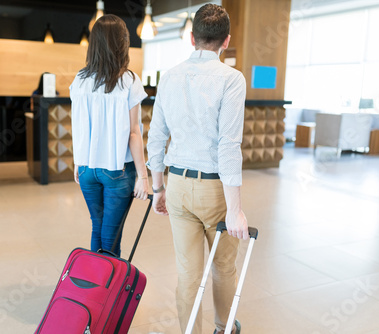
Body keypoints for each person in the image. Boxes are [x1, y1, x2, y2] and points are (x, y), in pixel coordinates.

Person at [146, 4, 249, 334]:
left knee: (188, 271)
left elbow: (157, 135)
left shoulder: (170, 76)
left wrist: (158, 187)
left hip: (176, 185)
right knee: (223, 265)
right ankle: (223, 328)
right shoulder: (231, 80)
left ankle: (190, 331)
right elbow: (228, 145)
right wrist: (235, 210)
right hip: (214, 189)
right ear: (226, 40)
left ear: (192, 38)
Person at [70, 15, 149, 257]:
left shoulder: (79, 81)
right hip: (117, 169)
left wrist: (78, 161)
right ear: (122, 43)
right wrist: (143, 176)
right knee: (112, 237)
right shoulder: (129, 81)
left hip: (87, 169)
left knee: (98, 227)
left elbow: (79, 125)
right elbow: (133, 133)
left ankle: (96, 287)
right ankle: (108, 290)